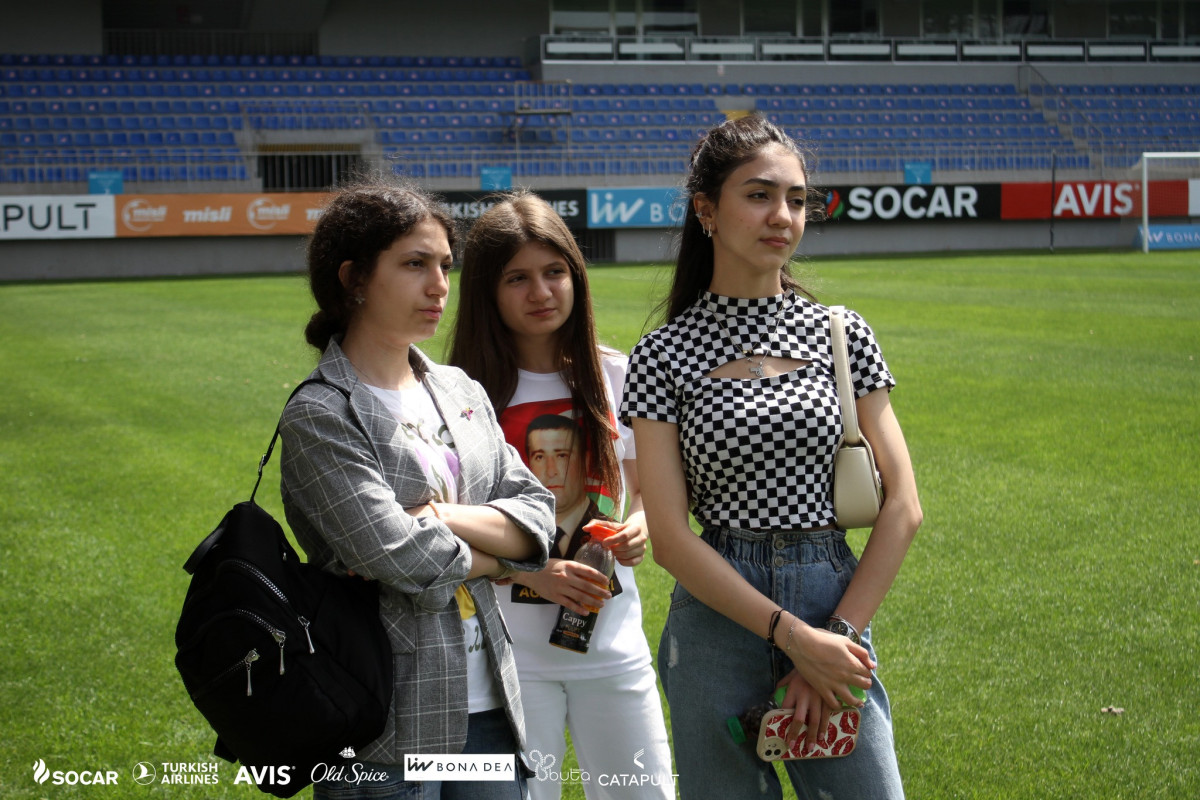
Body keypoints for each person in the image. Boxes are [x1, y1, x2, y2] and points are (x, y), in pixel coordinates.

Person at [620, 115, 922, 799]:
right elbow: (668, 535)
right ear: (707, 210)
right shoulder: (663, 355)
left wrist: (832, 639)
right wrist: (791, 637)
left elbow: (903, 506)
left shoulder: (842, 333)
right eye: (758, 195)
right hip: (715, 623)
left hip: (832, 602)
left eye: (796, 199)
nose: (782, 215)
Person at [278, 178, 556, 800]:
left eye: (444, 266)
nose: (439, 286)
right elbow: (397, 556)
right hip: (386, 721)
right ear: (353, 279)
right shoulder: (322, 414)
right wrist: (505, 556)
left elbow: (538, 512)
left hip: (487, 702)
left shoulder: (460, 389)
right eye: (414, 264)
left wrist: (436, 515)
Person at [448, 191, 674, 800]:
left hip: (614, 640)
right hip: (503, 659)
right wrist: (534, 568)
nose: (541, 292)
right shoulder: (460, 393)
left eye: (555, 272)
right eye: (517, 278)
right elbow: (451, 521)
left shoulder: (616, 374)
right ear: (487, 293)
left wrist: (643, 527)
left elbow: (650, 487)